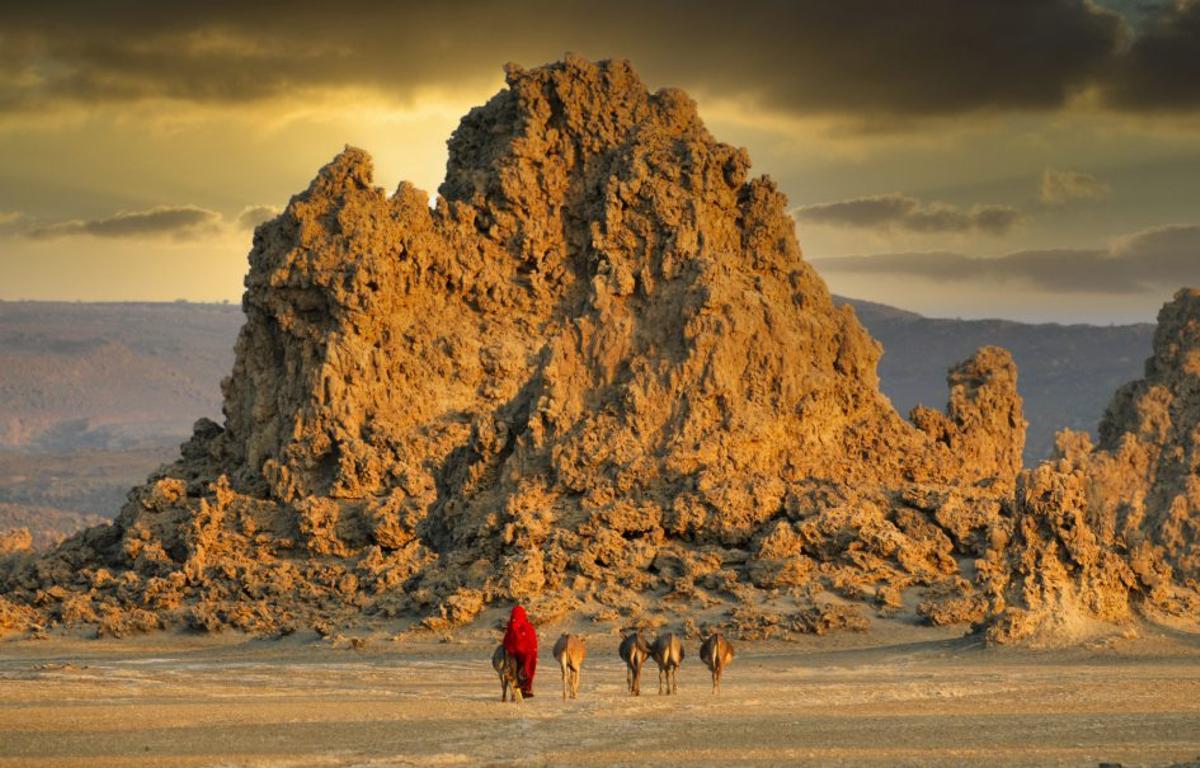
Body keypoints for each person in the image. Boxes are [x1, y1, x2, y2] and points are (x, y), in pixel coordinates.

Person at [503, 604, 538, 697]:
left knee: (516, 669)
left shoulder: (512, 626)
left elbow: (507, 640)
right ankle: (526, 688)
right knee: (527, 669)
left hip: (518, 653)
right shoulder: (527, 626)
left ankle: (521, 688)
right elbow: (532, 641)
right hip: (527, 654)